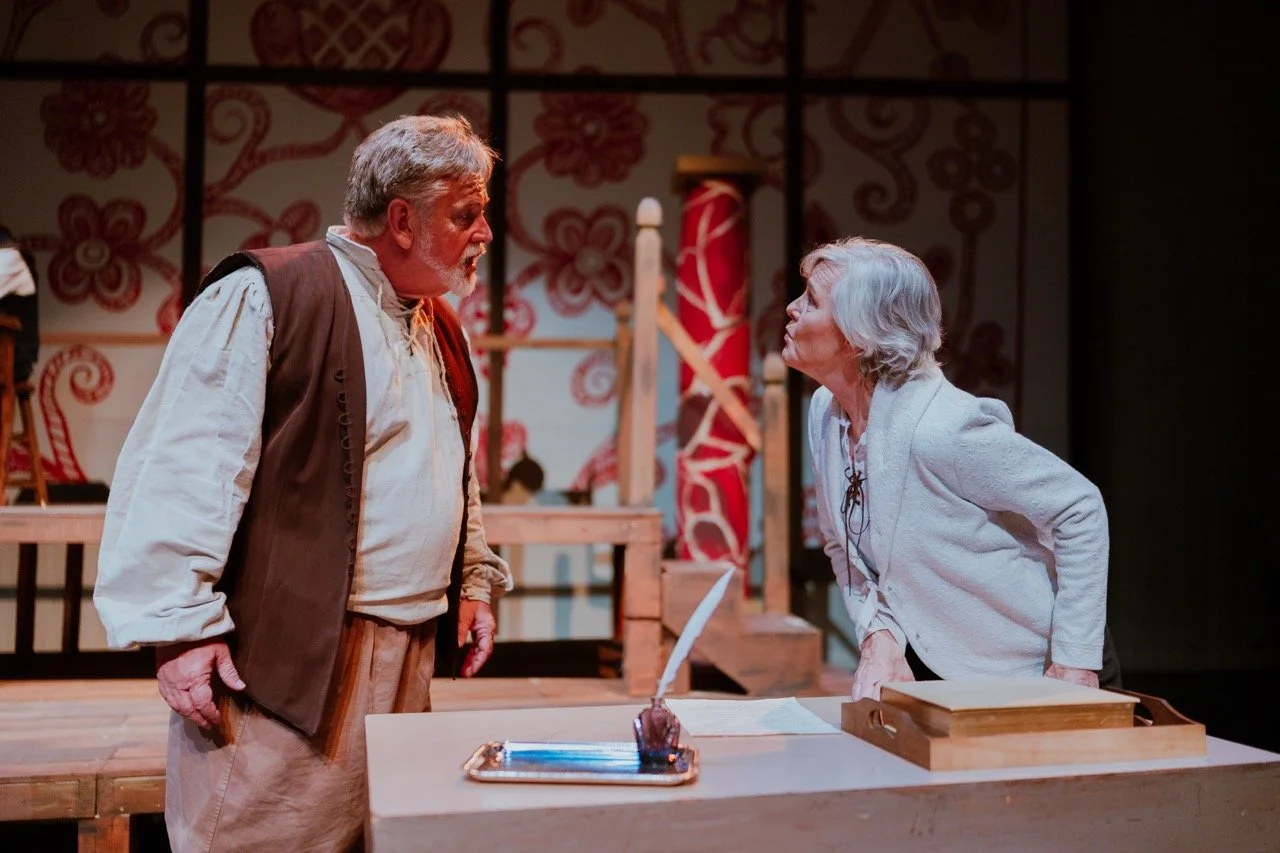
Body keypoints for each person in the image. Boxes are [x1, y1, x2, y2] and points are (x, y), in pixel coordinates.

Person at [93, 114, 514, 852]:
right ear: (402, 221)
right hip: (293, 660)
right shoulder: (269, 295)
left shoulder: (441, 326)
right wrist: (180, 627)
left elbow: (453, 469)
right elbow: (188, 462)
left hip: (410, 652)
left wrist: (472, 577)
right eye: (465, 214)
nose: (485, 233)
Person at [782, 236, 1120, 703]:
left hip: (1034, 668)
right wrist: (877, 633)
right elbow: (842, 545)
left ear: (857, 336)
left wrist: (1075, 661)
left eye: (812, 301)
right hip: (940, 667)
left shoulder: (941, 429)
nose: (792, 308)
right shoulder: (825, 412)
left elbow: (1079, 507)